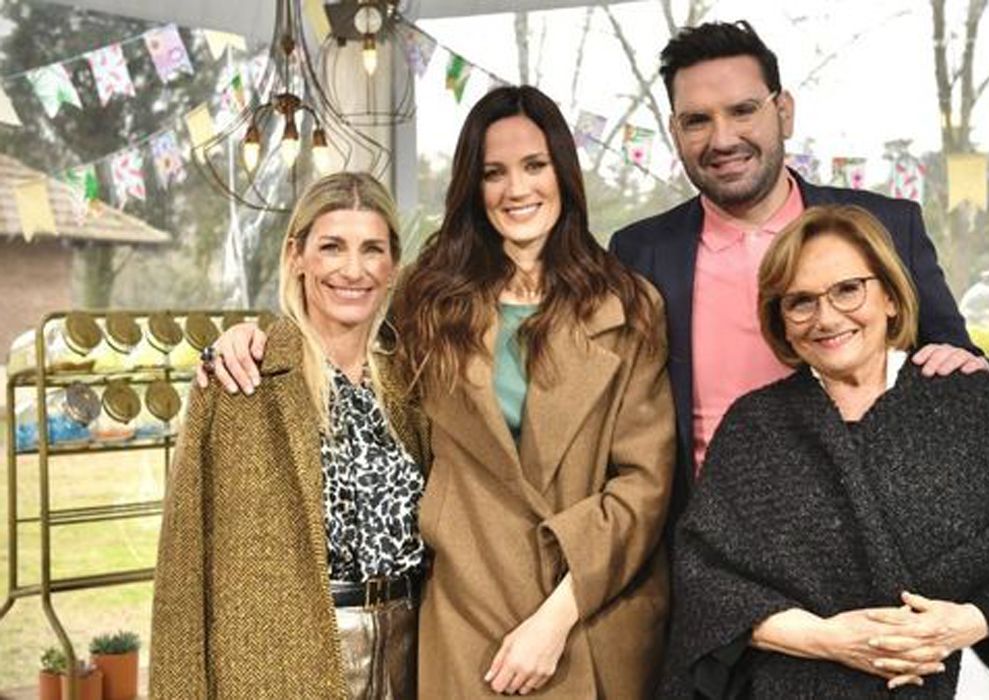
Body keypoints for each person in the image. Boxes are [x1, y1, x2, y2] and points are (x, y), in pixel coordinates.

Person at [199, 86, 676, 698]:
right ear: (472, 187)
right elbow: (345, 341)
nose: (517, 189)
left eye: (534, 165)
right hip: (468, 618)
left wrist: (556, 619)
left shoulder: (629, 307)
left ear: (563, 171)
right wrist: (254, 338)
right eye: (494, 173)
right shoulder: (429, 300)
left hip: (587, 616)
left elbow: (644, 486)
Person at [661, 204, 989, 699]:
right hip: (799, 679)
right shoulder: (754, 428)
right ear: (781, 321)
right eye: (801, 302)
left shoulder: (978, 406)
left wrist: (963, 623)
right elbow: (710, 587)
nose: (827, 318)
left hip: (962, 675)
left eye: (848, 289)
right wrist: (827, 639)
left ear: (891, 296)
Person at [608, 21, 989, 517]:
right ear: (674, 131)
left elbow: (956, 361)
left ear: (783, 112)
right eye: (697, 120)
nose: (722, 139)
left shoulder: (889, 227)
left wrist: (968, 366)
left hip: (873, 529)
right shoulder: (638, 253)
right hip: (708, 539)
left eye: (743, 110)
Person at [150, 172, 429, 698]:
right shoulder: (239, 380)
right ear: (297, 255)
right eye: (332, 247)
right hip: (284, 666)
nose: (353, 269)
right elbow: (183, 574)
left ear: (393, 266)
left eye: (372, 249)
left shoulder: (412, 383)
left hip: (411, 660)